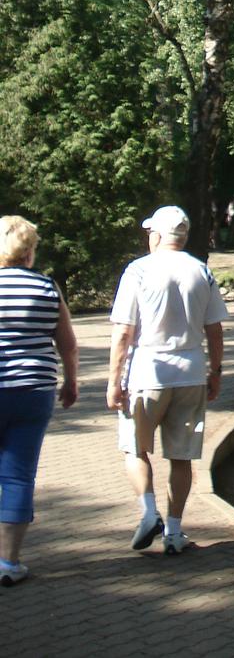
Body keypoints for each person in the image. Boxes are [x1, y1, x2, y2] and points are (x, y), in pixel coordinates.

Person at [107, 205, 228, 556]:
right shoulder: (201, 271)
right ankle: (174, 532)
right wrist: (215, 372)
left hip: (147, 372)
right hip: (190, 373)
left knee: (135, 447)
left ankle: (148, 512)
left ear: (157, 235)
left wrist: (114, 381)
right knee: (182, 456)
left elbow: (123, 333)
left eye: (150, 233)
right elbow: (215, 331)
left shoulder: (138, 270)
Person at [0, 215, 78, 586]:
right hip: (33, 391)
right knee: (18, 475)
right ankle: (8, 563)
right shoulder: (48, 288)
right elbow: (67, 342)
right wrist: (72, 382)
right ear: (30, 251)